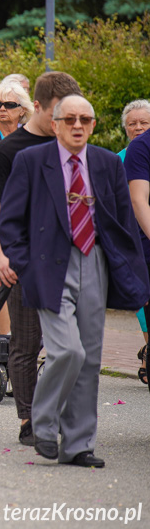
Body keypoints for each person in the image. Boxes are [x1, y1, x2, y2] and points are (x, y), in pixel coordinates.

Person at [0, 95, 149, 467]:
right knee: (68, 350)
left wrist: (129, 268)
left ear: (94, 124)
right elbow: (10, 220)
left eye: (85, 119)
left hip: (93, 261)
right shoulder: (31, 160)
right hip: (48, 265)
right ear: (55, 124)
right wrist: (25, 264)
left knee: (90, 357)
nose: (77, 125)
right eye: (69, 119)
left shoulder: (106, 163)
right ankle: (44, 424)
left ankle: (79, 444)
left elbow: (121, 222)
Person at [0, 71, 82, 446]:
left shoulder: (70, 144)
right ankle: (28, 420)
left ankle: (57, 413)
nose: (68, 122)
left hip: (67, 259)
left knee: (69, 345)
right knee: (26, 342)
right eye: (60, 113)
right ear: (36, 107)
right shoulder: (9, 150)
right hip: (22, 258)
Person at [121, 99, 150, 386]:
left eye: (144, 122)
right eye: (133, 123)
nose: (138, 127)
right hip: (134, 237)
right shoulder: (121, 157)